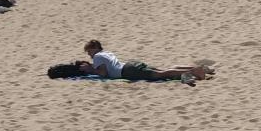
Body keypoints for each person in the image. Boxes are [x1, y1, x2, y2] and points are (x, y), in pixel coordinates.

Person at [78, 40, 213, 85]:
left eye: (89, 52)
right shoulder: (107, 53)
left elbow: (103, 73)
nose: (89, 55)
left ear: (95, 48)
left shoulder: (97, 56)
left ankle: (195, 71)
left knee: (161, 74)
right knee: (163, 70)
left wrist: (90, 69)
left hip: (127, 71)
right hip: (130, 65)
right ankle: (198, 68)